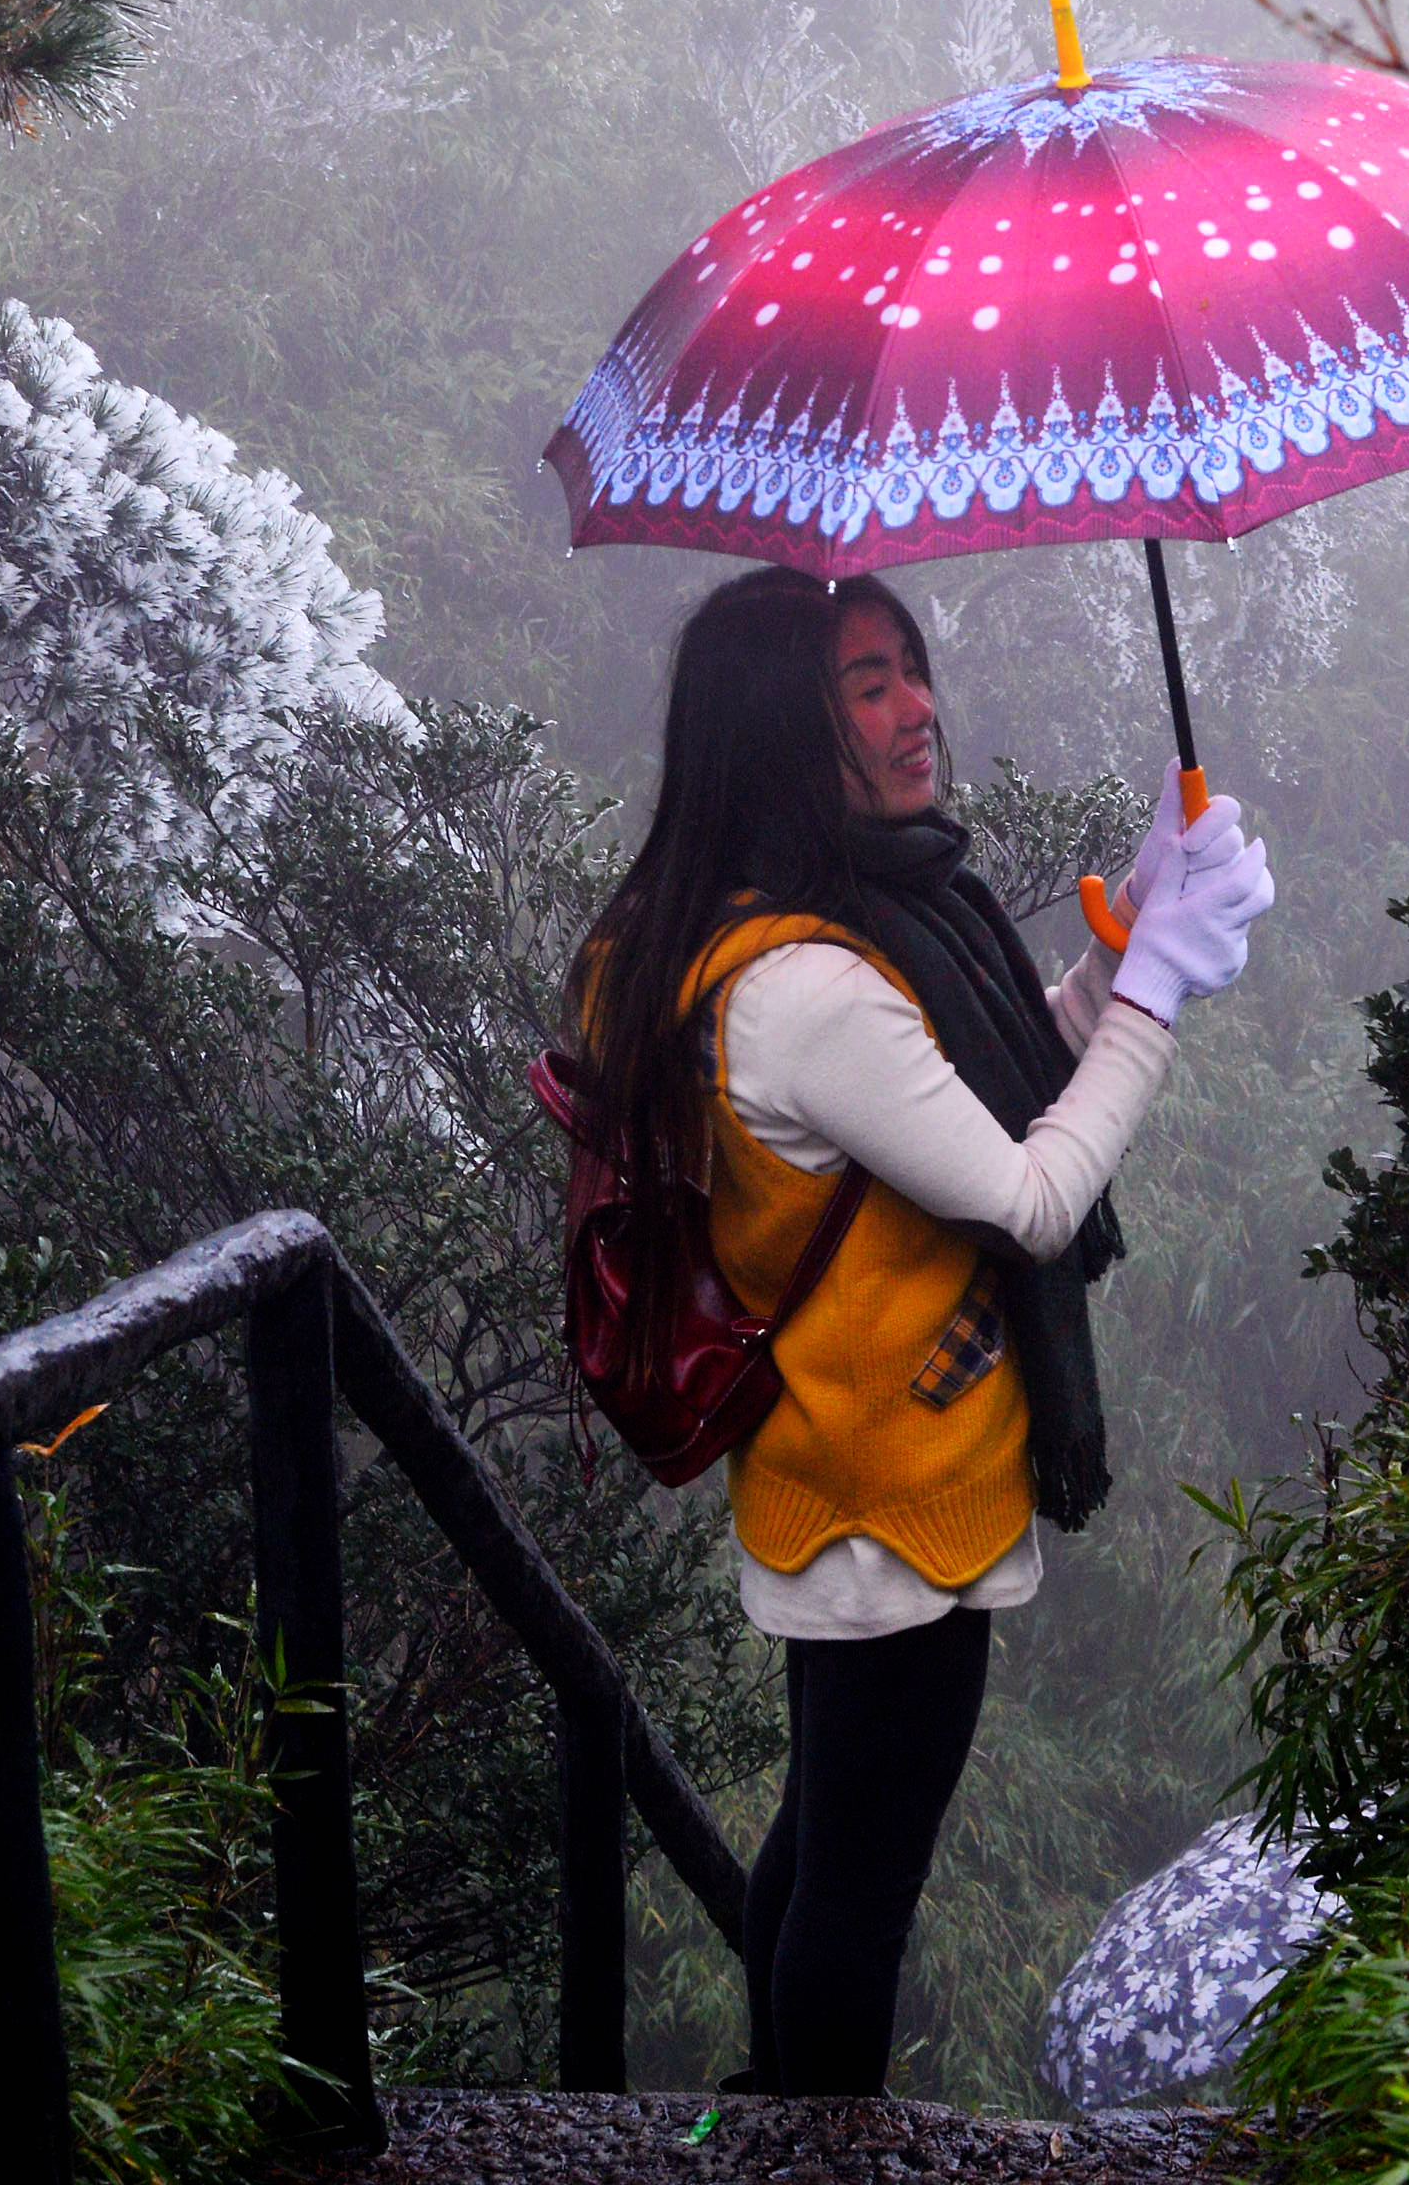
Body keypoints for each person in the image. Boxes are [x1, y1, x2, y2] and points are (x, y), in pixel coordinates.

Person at [563, 563, 1273, 2103]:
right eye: (863, 689)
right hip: (895, 1499)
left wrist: (1126, 935)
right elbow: (1026, 1190)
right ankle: (817, 2140)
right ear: (782, 737)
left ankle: (769, 2124)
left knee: (820, 1841)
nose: (913, 712)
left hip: (829, 1466)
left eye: (908, 668)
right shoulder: (813, 986)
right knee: (859, 1893)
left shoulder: (793, 924)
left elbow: (982, 1081)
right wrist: (1154, 996)